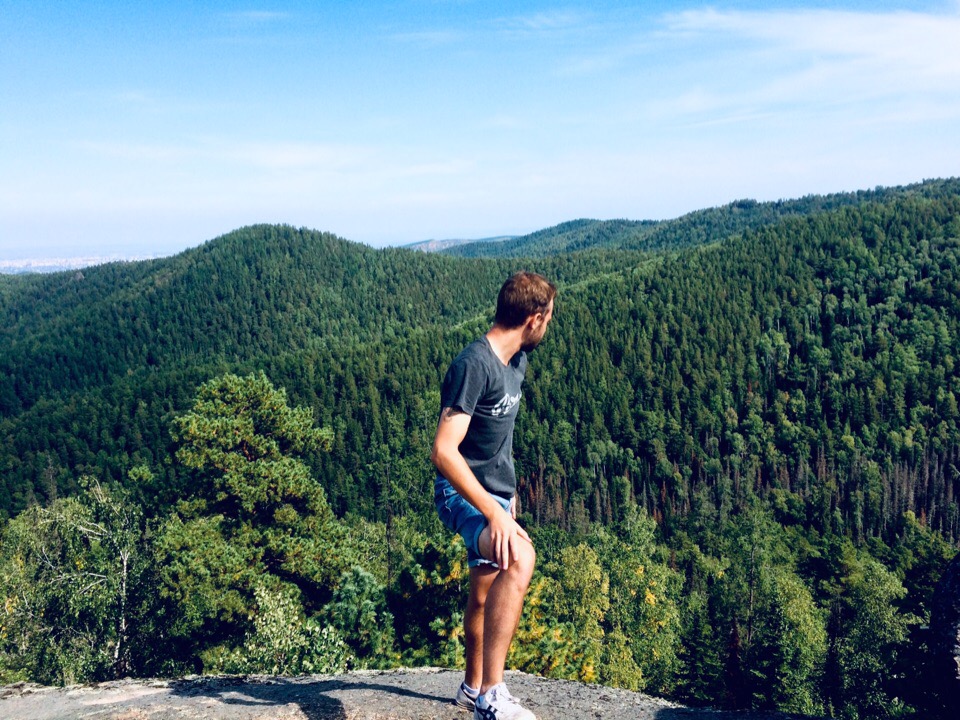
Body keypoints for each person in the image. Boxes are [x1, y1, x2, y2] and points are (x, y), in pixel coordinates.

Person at [431, 271, 556, 720]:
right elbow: (444, 452)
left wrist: (508, 492)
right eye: (548, 319)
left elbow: (499, 435)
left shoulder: (517, 361)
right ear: (533, 318)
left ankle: (471, 688)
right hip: (461, 494)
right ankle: (492, 695)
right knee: (520, 558)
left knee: (484, 592)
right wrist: (493, 512)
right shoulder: (473, 365)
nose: (547, 328)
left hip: (496, 495)